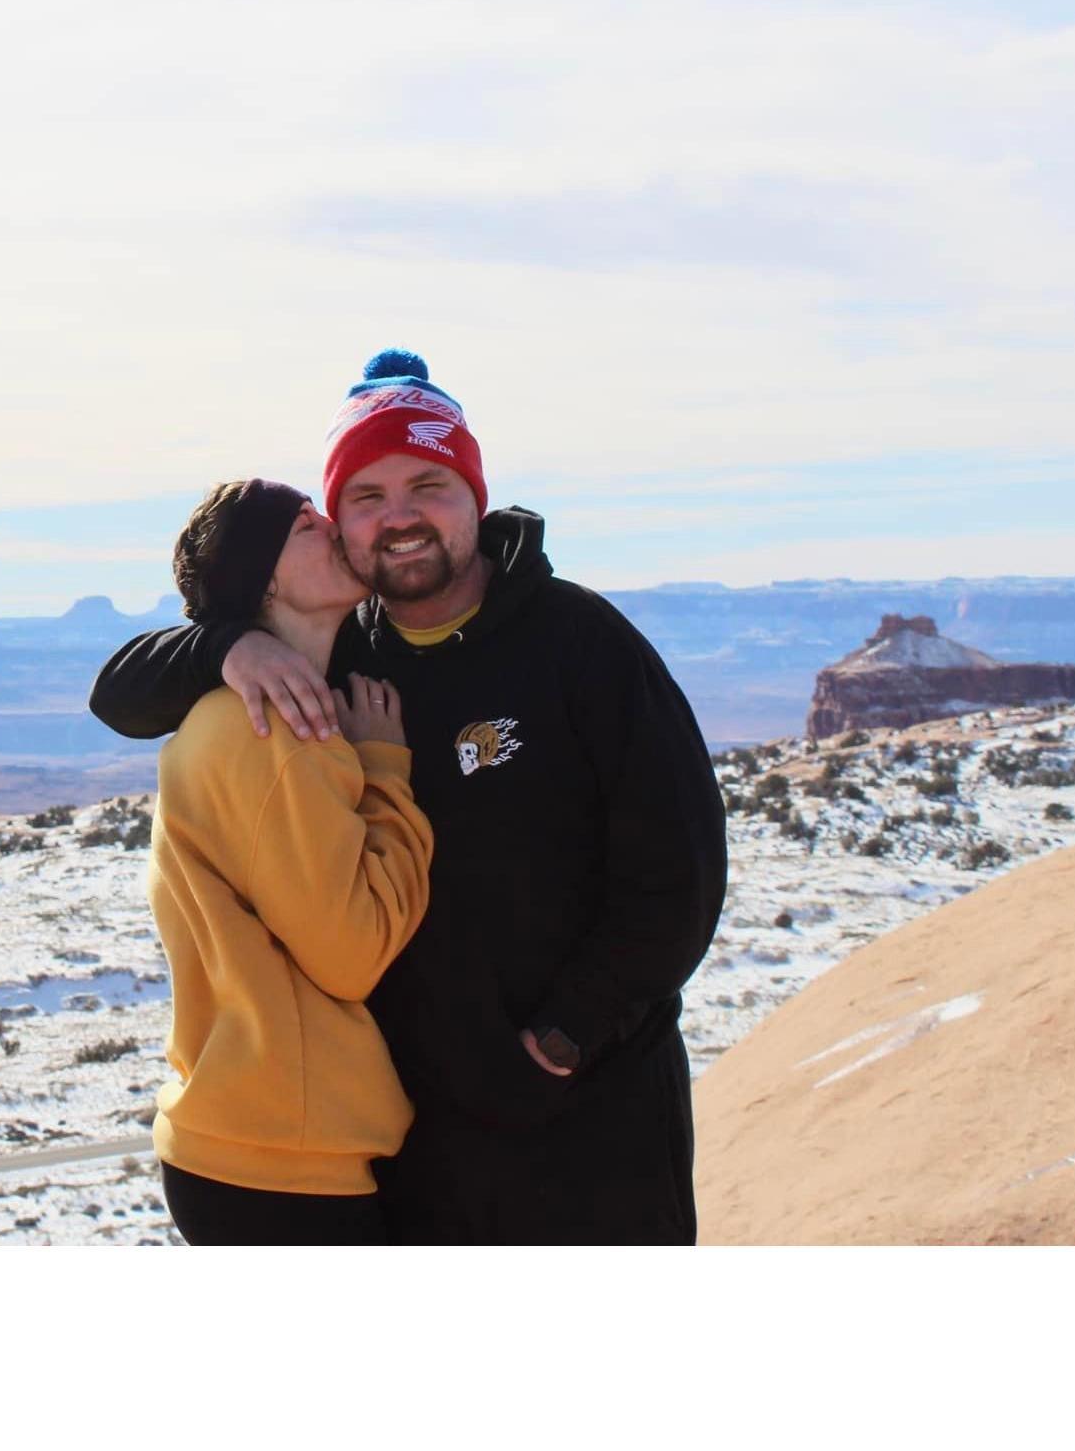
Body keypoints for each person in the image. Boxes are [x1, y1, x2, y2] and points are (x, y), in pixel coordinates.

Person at [95, 350, 728, 1245]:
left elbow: (679, 875)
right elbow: (118, 695)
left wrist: (563, 1038)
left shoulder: (580, 643)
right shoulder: (335, 654)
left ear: (475, 495)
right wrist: (227, 648)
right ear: (342, 523)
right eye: (365, 496)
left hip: (588, 1128)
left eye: (427, 485)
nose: (399, 519)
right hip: (408, 1148)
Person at [145, 477, 433, 1246]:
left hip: (246, 1139)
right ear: (263, 577)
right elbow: (353, 952)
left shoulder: (226, 714)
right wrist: (386, 774)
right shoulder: (279, 732)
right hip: (284, 1159)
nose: (331, 522)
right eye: (305, 524)